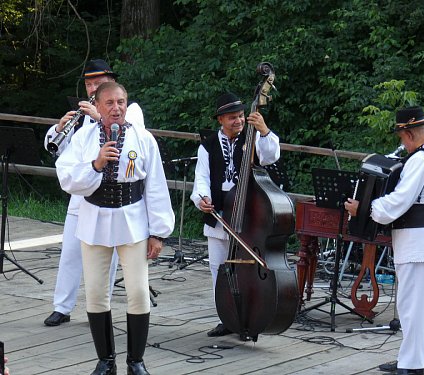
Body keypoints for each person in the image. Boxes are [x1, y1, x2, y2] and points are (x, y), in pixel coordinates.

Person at [56, 81, 174, 375]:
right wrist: (96, 165)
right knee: (96, 292)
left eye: (121, 102)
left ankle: (136, 361)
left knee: (137, 291)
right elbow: (67, 179)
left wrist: (158, 232)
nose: (116, 108)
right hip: (94, 219)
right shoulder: (83, 137)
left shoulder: (143, 138)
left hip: (132, 220)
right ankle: (105, 361)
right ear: (96, 105)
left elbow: (156, 185)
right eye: (109, 103)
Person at [344, 106, 424, 375]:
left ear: (410, 133)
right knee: (415, 305)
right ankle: (411, 359)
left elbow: (399, 201)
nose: (402, 144)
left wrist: (366, 209)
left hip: (416, 238)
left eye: (402, 137)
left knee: (412, 306)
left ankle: (412, 365)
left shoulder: (421, 159)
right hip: (422, 237)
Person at [43, 59, 145, 327]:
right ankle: (62, 307)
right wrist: (58, 129)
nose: (92, 88)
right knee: (70, 251)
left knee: (107, 256)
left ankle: (101, 307)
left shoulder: (130, 109)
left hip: (115, 197)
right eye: (89, 84)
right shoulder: (83, 116)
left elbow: (132, 135)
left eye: (97, 83)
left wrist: (98, 115)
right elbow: (58, 151)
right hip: (82, 192)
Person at [190, 91, 280, 337]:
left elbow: (271, 156)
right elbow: (201, 179)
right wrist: (202, 199)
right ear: (220, 119)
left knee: (248, 270)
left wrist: (264, 131)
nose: (238, 121)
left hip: (249, 216)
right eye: (232, 117)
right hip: (220, 213)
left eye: (240, 116)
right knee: (219, 269)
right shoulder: (207, 146)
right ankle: (228, 317)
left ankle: (251, 317)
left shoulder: (252, 140)